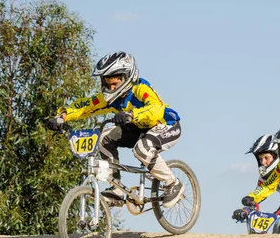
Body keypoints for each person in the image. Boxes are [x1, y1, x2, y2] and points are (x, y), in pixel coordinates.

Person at [46, 51, 183, 208]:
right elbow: (85, 106)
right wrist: (62, 117)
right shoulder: (109, 99)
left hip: (165, 124)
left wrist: (131, 114)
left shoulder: (141, 89)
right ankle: (116, 189)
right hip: (139, 128)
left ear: (127, 77)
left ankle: (173, 183)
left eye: (114, 84)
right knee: (104, 138)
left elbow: (155, 108)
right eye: (107, 83)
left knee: (143, 149)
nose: (110, 87)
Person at [232, 134, 280, 234]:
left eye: (266, 158)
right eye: (260, 159)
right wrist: (245, 211)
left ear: (277, 156)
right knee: (277, 228)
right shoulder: (264, 179)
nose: (263, 163)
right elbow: (257, 198)